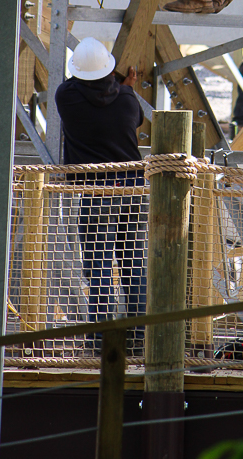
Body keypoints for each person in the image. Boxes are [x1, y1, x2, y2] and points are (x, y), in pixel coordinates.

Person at [55, 37, 146, 354]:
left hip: (95, 192)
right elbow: (136, 120)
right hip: (133, 190)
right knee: (133, 264)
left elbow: (74, 83)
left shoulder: (66, 99)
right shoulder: (128, 101)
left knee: (99, 266)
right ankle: (137, 337)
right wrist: (128, 86)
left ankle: (101, 339)